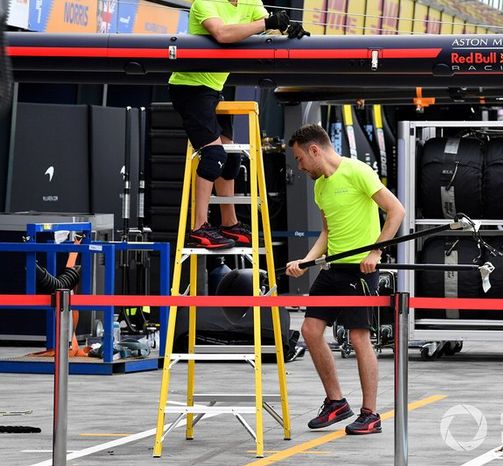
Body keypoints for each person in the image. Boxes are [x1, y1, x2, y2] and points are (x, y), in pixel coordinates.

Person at [285, 124, 405, 435]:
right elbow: (327, 232)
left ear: (315, 150)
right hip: (333, 269)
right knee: (310, 331)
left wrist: (376, 253)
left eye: (299, 159)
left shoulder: (357, 172)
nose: (298, 167)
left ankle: (370, 413)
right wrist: (306, 262)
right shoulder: (319, 186)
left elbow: (396, 211)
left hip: (361, 271)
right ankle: (336, 402)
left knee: (358, 337)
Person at [169, 0, 309, 249]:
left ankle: (229, 223)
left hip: (214, 87)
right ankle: (198, 228)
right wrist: (268, 23)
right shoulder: (204, 3)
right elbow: (222, 34)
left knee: (232, 160)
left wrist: (289, 29)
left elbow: (268, 29)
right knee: (214, 157)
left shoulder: (251, 2)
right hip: (189, 88)